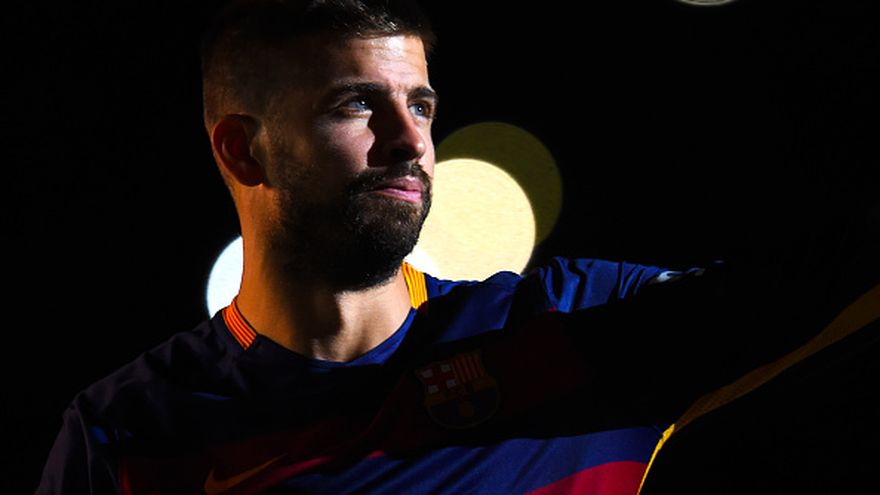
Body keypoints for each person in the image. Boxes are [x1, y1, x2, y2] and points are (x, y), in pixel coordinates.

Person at [35, 0, 878, 494]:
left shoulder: (570, 330)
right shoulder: (125, 431)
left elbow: (827, 276)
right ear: (243, 150)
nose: (412, 142)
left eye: (422, 106)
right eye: (357, 105)